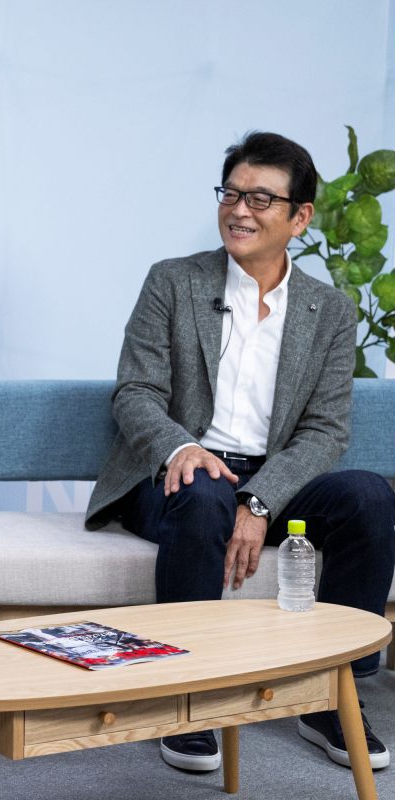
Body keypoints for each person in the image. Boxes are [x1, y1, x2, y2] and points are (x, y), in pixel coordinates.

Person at [85, 131, 395, 775]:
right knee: (202, 494)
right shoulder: (172, 282)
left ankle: (331, 690)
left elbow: (324, 430)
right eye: (231, 192)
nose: (239, 210)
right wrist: (182, 446)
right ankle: (187, 693)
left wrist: (259, 499)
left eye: (260, 198)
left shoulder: (328, 311)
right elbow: (136, 392)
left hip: (269, 478)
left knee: (367, 495)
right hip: (176, 473)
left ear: (299, 216)